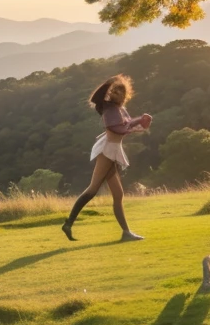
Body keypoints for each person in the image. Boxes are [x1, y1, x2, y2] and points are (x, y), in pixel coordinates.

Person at [61, 73, 151, 242]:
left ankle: (126, 232)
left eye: (122, 93)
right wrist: (134, 126)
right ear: (112, 93)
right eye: (117, 92)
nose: (121, 96)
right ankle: (68, 223)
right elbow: (117, 129)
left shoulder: (119, 109)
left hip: (112, 149)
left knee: (118, 194)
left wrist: (141, 121)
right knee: (93, 189)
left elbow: (127, 123)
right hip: (108, 150)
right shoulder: (110, 109)